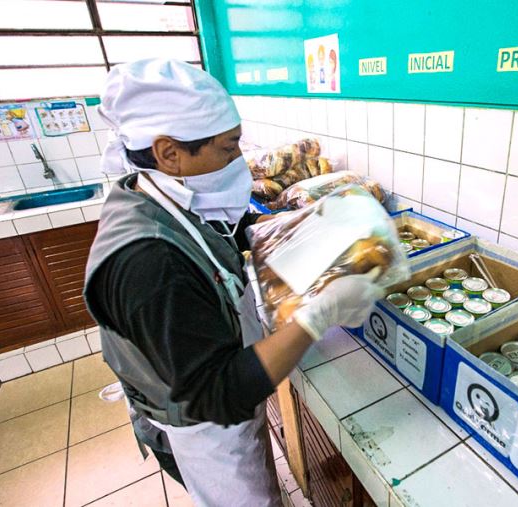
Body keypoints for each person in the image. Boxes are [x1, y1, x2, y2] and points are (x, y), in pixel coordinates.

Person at [83, 59, 383, 507]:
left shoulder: (164, 193)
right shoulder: (148, 261)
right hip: (204, 428)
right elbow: (218, 393)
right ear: (169, 152)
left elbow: (231, 228)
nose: (238, 161)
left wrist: (307, 228)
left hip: (224, 390)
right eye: (228, 148)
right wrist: (319, 313)